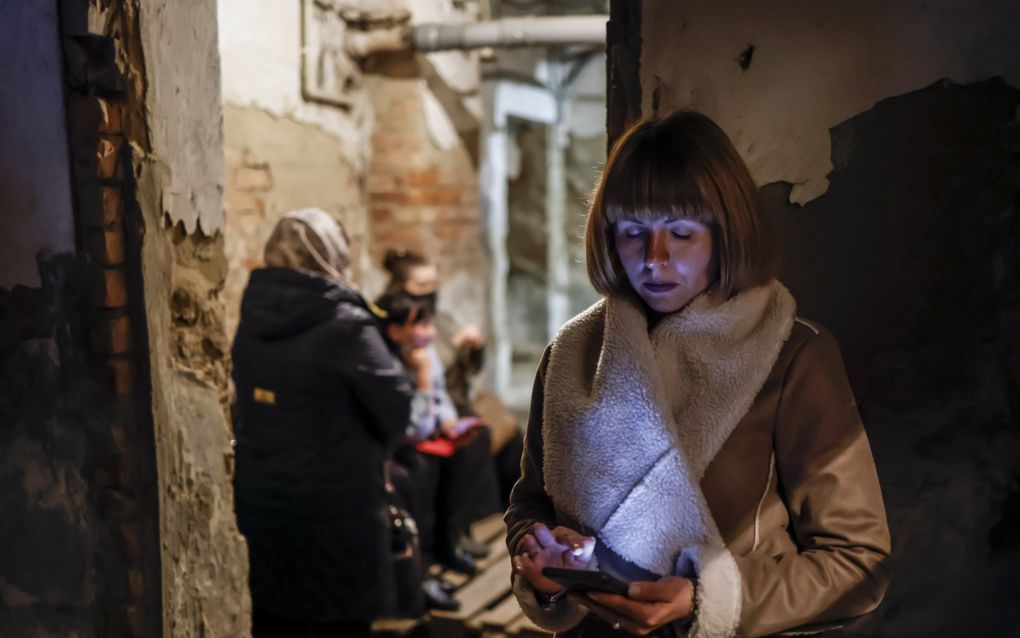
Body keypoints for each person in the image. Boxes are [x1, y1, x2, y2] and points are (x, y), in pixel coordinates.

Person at [505, 111, 892, 638]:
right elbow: (529, 506)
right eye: (633, 233)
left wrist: (708, 599)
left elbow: (858, 562)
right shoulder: (572, 354)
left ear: (725, 232)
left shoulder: (792, 352)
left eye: (682, 233)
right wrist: (548, 566)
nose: (655, 259)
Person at [231, 209, 417, 637]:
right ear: (330, 253)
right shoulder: (346, 324)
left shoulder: (253, 314)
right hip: (336, 511)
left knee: (277, 621)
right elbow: (397, 410)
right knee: (338, 623)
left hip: (264, 503)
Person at [380, 251, 506, 565]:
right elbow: (414, 400)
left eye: (434, 284)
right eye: (422, 285)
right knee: (426, 465)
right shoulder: (400, 323)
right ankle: (434, 550)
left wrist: (473, 348)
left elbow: (441, 382)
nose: (430, 291)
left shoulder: (434, 320)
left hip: (440, 407)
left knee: (479, 437)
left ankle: (457, 532)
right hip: (414, 418)